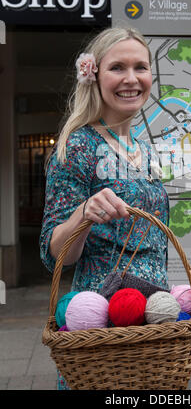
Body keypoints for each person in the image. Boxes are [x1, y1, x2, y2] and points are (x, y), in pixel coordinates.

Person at [39, 26, 169, 390]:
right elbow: (55, 254)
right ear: (94, 75)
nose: (131, 79)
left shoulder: (142, 147)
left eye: (140, 67)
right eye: (118, 68)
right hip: (102, 330)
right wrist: (83, 213)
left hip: (153, 325)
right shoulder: (76, 147)